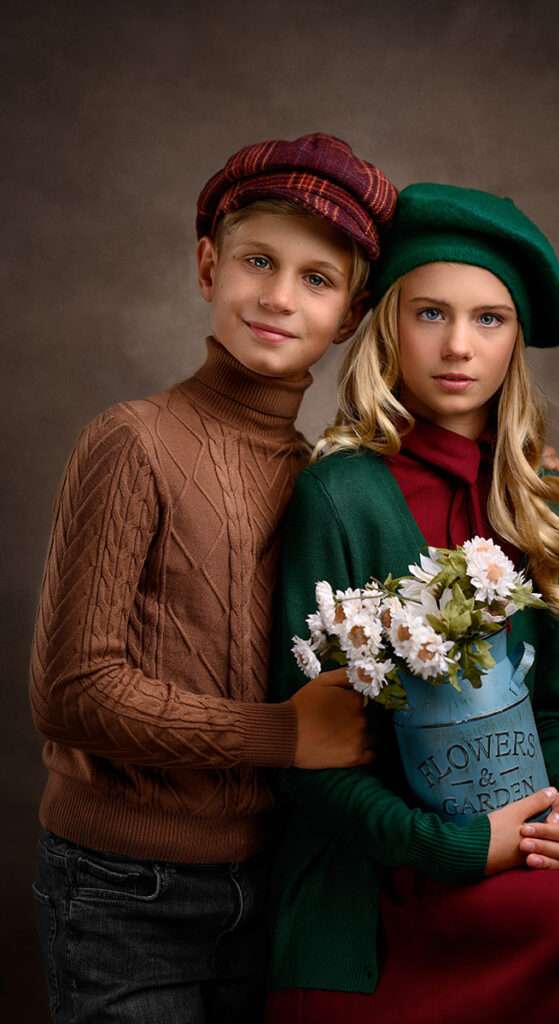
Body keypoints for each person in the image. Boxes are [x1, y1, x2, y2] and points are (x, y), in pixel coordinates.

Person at [265, 183, 559, 1023]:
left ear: (516, 340)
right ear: (388, 326)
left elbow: (557, 712)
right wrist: (451, 845)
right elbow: (305, 758)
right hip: (365, 901)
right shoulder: (337, 495)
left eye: (488, 319)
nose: (458, 346)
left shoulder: (554, 506)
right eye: (429, 314)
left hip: (508, 871)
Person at [28, 132, 398, 1024]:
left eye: (316, 278)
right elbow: (73, 692)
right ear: (207, 265)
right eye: (257, 261)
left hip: (269, 879)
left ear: (349, 315)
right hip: (124, 889)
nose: (277, 296)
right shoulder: (134, 441)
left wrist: (525, 481)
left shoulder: (323, 477)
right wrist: (279, 736)